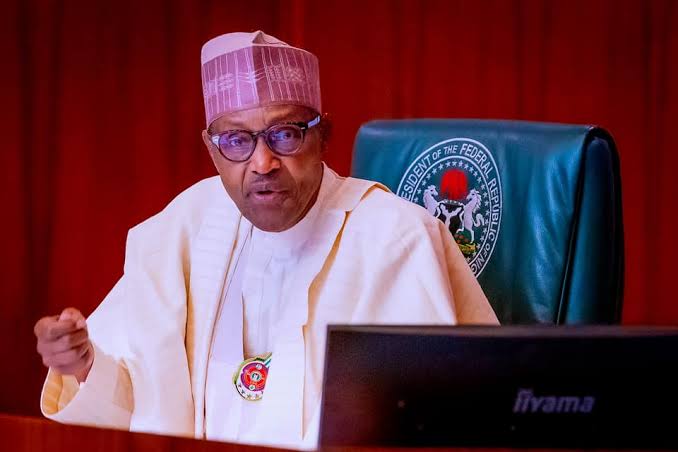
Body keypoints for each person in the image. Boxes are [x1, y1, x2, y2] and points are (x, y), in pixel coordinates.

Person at [33, 30, 498, 450]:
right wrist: (85, 365)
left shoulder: (395, 239)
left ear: (323, 136)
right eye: (236, 141)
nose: (262, 163)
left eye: (285, 135)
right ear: (212, 150)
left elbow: (424, 425)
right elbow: (141, 406)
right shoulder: (185, 227)